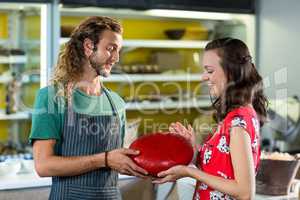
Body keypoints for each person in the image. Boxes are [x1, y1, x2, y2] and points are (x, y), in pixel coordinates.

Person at [29, 16, 148, 200]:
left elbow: (120, 156)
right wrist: (104, 159)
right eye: (110, 49)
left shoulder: (116, 103)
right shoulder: (52, 98)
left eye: (118, 51)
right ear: (88, 46)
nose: (116, 58)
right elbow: (44, 165)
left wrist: (157, 162)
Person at [153, 38, 268, 200]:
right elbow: (220, 170)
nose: (203, 77)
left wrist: (191, 172)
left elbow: (245, 192)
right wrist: (193, 149)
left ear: (231, 71)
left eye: (210, 71)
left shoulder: (238, 121)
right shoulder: (236, 115)